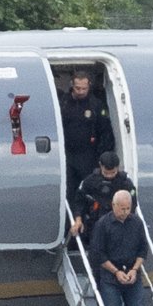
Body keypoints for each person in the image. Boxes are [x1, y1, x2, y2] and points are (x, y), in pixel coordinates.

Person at [89, 190, 152, 306]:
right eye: (122, 208)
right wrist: (116, 272)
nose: (125, 212)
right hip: (111, 276)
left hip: (132, 274)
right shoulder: (103, 224)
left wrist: (135, 269)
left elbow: (143, 250)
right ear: (113, 205)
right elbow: (98, 254)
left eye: (128, 208)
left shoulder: (137, 223)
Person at [59, 71, 115, 214]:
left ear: (89, 86)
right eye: (78, 88)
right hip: (67, 154)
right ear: (72, 85)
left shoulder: (96, 105)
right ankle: (69, 220)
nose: (81, 92)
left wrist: (101, 157)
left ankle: (87, 220)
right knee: (68, 190)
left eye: (84, 88)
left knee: (88, 190)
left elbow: (105, 132)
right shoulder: (63, 103)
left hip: (88, 155)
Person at [72, 151, 136, 240]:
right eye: (106, 173)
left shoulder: (125, 183)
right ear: (100, 166)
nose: (109, 176)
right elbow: (79, 201)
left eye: (112, 172)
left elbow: (133, 203)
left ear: (117, 167)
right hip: (95, 223)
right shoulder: (90, 181)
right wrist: (78, 220)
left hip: (118, 223)